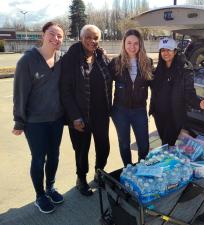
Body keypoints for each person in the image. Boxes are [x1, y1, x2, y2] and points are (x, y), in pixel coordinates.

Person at [12, 22, 65, 214]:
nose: (56, 39)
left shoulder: (61, 59)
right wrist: (19, 120)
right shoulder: (27, 61)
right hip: (35, 122)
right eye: (52, 34)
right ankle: (39, 195)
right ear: (43, 35)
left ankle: (50, 188)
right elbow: (20, 93)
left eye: (60, 36)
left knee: (54, 156)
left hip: (57, 119)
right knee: (38, 158)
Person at [60, 25, 112, 196]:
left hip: (101, 114)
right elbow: (65, 91)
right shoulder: (70, 59)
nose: (92, 41)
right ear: (81, 38)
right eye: (88, 37)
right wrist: (74, 117)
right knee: (82, 149)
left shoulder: (101, 56)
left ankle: (99, 172)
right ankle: (81, 178)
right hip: (80, 115)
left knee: (103, 146)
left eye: (96, 38)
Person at [150, 37, 204, 146]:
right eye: (163, 50)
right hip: (159, 115)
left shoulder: (184, 71)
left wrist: (199, 103)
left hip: (174, 115)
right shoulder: (157, 71)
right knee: (165, 143)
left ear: (175, 51)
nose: (165, 53)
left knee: (171, 145)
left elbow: (189, 93)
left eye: (169, 50)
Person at [109, 29, 153, 166]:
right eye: (129, 43)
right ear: (124, 44)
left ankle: (141, 170)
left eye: (136, 43)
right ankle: (128, 169)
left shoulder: (147, 62)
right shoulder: (116, 62)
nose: (132, 47)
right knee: (124, 145)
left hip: (139, 110)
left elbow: (157, 86)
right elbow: (104, 84)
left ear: (140, 45)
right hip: (120, 110)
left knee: (144, 144)